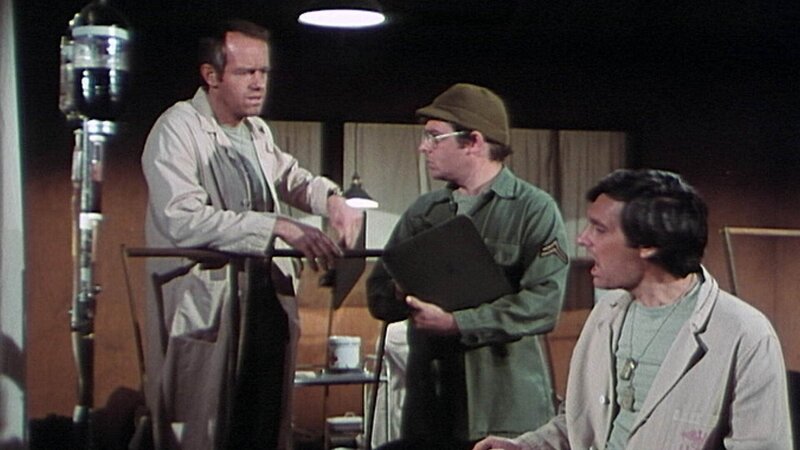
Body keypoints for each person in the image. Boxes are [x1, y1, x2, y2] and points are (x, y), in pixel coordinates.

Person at [140, 19, 363, 449]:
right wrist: (276, 225)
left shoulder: (255, 131)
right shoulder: (178, 129)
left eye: (264, 72)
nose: (259, 84)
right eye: (246, 72)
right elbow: (182, 219)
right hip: (211, 306)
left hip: (263, 302)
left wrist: (333, 199)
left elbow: (291, 176)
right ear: (212, 75)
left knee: (263, 420)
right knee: (207, 425)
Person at [473, 169, 794, 450]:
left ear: (649, 244)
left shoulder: (743, 333)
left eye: (599, 229)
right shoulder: (606, 314)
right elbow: (581, 423)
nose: (583, 239)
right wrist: (526, 446)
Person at [366, 83, 570, 449]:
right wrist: (403, 289)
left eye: (434, 137)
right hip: (432, 410)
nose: (423, 147)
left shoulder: (533, 210)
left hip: (505, 412)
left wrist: (459, 323)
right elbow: (378, 295)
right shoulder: (423, 213)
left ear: (474, 142)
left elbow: (543, 303)